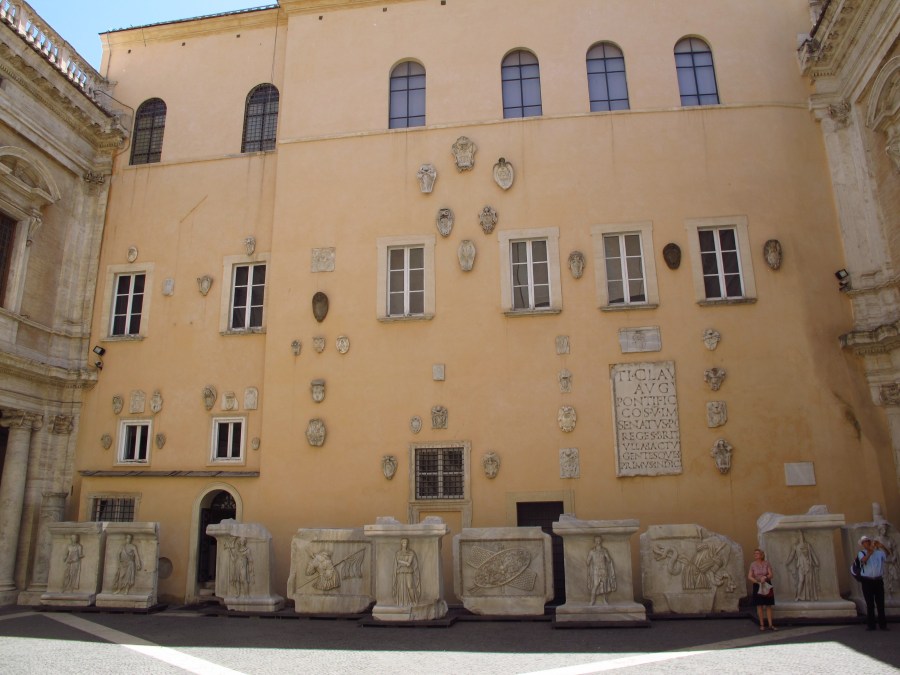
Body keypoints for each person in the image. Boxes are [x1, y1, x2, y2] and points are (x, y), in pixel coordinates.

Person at [857, 535, 890, 631]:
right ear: (863, 545)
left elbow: (887, 554)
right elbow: (863, 561)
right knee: (870, 603)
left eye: (868, 541)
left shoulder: (879, 553)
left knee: (880, 603)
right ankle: (871, 625)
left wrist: (882, 546)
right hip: (867, 581)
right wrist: (870, 552)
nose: (867, 543)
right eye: (865, 542)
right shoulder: (861, 553)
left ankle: (883, 624)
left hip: (878, 580)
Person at [747, 548, 776, 631]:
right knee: (759, 605)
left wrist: (765, 577)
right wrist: (757, 581)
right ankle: (762, 624)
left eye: (757, 553)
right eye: (754, 553)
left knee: (768, 605)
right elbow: (749, 576)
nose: (755, 555)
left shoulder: (766, 563)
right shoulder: (753, 564)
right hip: (757, 585)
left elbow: (771, 574)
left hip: (766, 584)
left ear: (761, 555)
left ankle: (770, 624)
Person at [587, 536, 616, 605]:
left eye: (599, 540)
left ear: (601, 541)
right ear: (594, 542)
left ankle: (605, 600)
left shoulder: (604, 550)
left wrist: (607, 556)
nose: (598, 542)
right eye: (596, 540)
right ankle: (592, 600)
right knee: (595, 585)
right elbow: (587, 562)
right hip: (596, 570)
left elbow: (609, 560)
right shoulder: (592, 551)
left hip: (603, 570)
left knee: (604, 586)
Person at [392, 538, 420, 606]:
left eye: (406, 543)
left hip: (408, 571)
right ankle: (401, 602)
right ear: (401, 544)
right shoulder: (398, 553)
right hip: (400, 572)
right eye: (404, 543)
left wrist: (401, 563)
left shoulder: (411, 553)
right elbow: (396, 564)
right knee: (401, 587)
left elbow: (408, 564)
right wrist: (402, 564)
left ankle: (413, 601)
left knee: (409, 586)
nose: (405, 544)